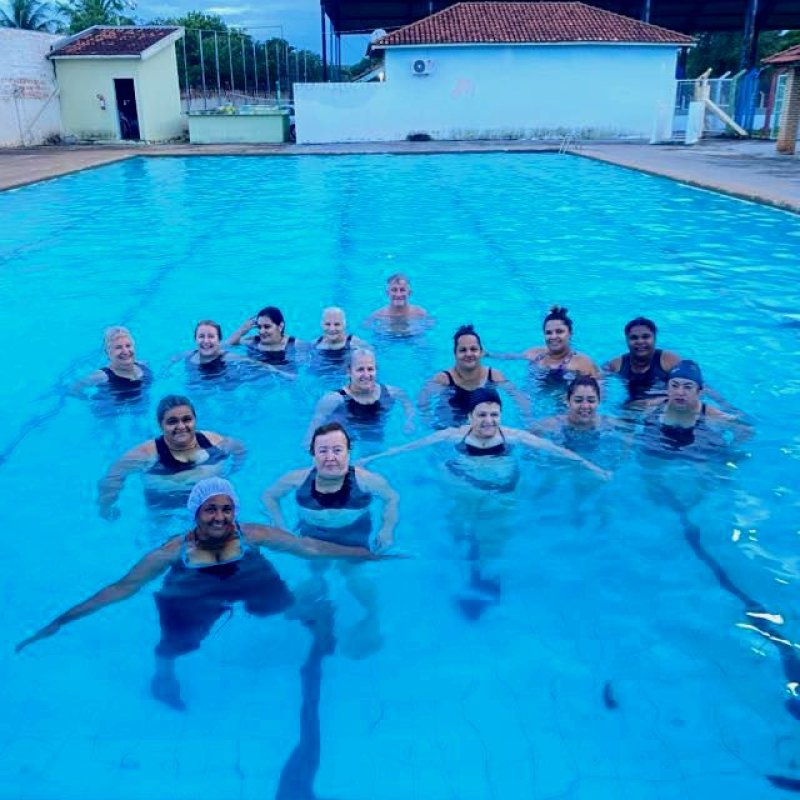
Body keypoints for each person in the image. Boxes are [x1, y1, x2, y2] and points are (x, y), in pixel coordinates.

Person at [16, 478, 387, 710]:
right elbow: (123, 587)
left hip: (246, 575)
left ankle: (313, 615)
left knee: (283, 604)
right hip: (193, 590)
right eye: (211, 510)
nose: (220, 517)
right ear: (196, 513)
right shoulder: (171, 551)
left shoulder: (252, 535)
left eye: (227, 509)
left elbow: (309, 547)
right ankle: (163, 678)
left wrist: (363, 553)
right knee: (174, 642)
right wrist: (61, 621)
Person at [361, 388, 609, 617]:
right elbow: (409, 447)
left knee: (496, 537)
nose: (488, 421)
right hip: (464, 486)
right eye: (482, 415)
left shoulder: (512, 436)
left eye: (494, 415)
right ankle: (466, 568)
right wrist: (370, 459)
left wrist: (593, 468)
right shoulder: (453, 435)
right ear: (470, 416)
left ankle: (486, 576)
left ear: (501, 415)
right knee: (459, 529)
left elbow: (557, 451)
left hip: (502, 492)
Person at [262, 422, 399, 657]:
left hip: (353, 534)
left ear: (348, 452)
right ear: (313, 454)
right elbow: (269, 496)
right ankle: (318, 592)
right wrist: (279, 525)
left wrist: (387, 529)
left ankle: (372, 616)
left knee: (352, 574)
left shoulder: (367, 480)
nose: (330, 457)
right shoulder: (296, 479)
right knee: (316, 569)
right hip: (313, 533)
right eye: (323, 450)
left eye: (337, 450)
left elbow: (392, 498)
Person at [97, 394, 246, 519]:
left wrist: (232, 471)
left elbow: (240, 449)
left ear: (195, 420)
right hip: (165, 516)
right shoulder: (145, 455)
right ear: (160, 425)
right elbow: (112, 478)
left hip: (212, 514)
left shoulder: (214, 442)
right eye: (172, 422)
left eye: (187, 419)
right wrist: (106, 507)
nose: (181, 426)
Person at [418, 324, 531, 428]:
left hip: (486, 421)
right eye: (463, 350)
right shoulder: (444, 379)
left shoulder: (494, 375)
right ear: (455, 354)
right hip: (453, 421)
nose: (468, 354)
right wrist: (429, 420)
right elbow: (423, 401)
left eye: (473, 349)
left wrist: (527, 419)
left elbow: (518, 396)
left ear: (481, 352)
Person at [304, 347, 415, 448]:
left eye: (370, 369)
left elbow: (407, 402)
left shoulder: (391, 392)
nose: (366, 375)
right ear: (349, 371)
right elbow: (312, 432)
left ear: (376, 370)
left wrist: (409, 421)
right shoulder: (333, 399)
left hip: (374, 435)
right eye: (360, 369)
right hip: (346, 440)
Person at [639, 360, 750, 459]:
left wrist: (731, 449)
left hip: (699, 451)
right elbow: (630, 421)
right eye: (674, 386)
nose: (680, 392)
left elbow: (746, 430)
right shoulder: (652, 407)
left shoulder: (712, 415)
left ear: (699, 392)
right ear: (667, 388)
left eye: (688, 387)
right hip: (658, 450)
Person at [491, 306, 600, 385]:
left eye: (559, 331)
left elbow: (598, 389)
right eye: (548, 333)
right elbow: (510, 357)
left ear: (570, 334)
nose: (553, 336)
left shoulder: (581, 363)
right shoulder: (536, 353)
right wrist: (487, 354)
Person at [171, 320, 287, 383]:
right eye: (201, 336)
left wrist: (282, 373)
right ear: (195, 339)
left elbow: (259, 364)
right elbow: (170, 362)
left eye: (211, 336)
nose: (206, 341)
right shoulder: (188, 355)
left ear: (219, 340)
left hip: (223, 384)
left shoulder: (228, 357)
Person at [534, 375, 626, 455]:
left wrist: (623, 455)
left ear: (599, 401)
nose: (585, 406)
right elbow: (527, 439)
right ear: (567, 401)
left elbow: (629, 437)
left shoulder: (608, 423)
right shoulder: (553, 424)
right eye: (578, 400)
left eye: (591, 401)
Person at [603, 317, 681, 403]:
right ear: (627, 341)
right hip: (632, 405)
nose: (640, 341)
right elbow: (601, 381)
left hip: (663, 403)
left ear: (654, 339)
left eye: (645, 337)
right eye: (634, 338)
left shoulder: (669, 361)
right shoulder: (616, 365)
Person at [71, 326, 152, 403]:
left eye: (128, 346)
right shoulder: (101, 376)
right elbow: (74, 389)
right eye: (118, 347)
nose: (125, 351)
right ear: (108, 352)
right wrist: (88, 401)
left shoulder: (144, 365)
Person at [226, 306, 302, 369]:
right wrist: (241, 330)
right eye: (259, 327)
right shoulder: (253, 341)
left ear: (280, 326)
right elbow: (227, 345)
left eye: (267, 327)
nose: (261, 331)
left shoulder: (294, 344)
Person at [364, 273, 432, 335]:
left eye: (402, 290)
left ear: (409, 293)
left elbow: (429, 327)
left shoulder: (420, 313)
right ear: (387, 293)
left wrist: (418, 330)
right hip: (387, 338)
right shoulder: (378, 315)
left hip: (412, 337)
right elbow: (366, 328)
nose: (398, 294)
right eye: (394, 290)